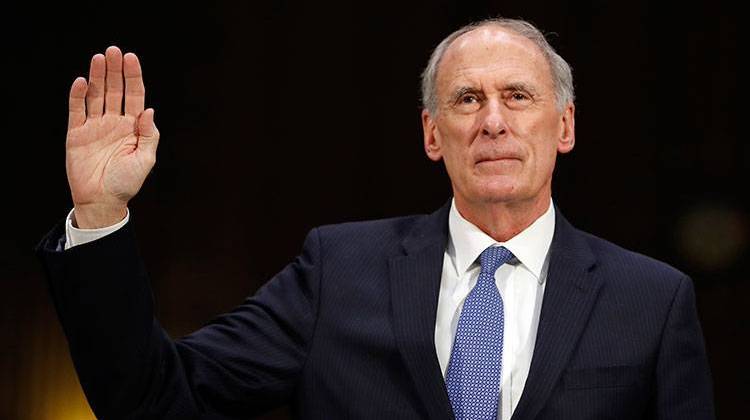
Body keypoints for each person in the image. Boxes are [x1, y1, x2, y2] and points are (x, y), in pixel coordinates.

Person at [36, 17, 715, 420]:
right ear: (431, 132)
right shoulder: (338, 272)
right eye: (467, 99)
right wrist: (100, 214)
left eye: (518, 95)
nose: (494, 123)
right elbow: (156, 401)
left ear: (563, 124)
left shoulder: (652, 301)